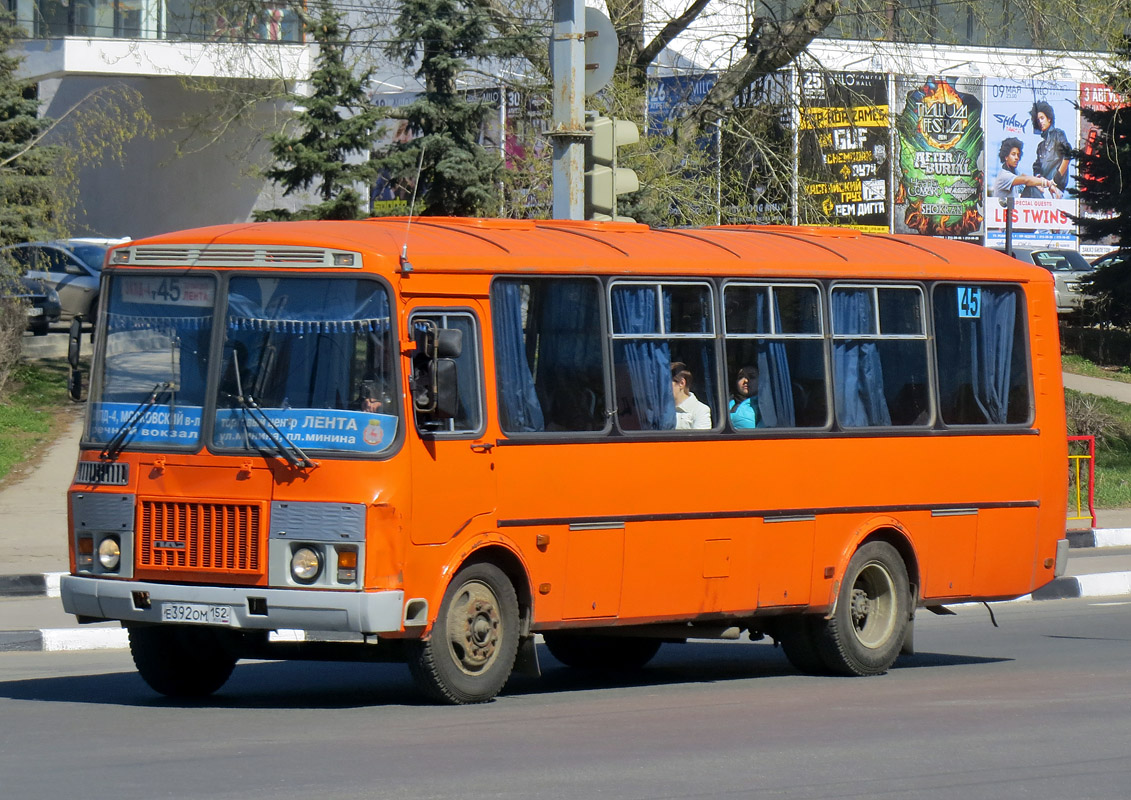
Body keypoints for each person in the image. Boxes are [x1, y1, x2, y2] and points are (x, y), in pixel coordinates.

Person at [991, 137, 1060, 200]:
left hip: (1012, 210)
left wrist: (1039, 182)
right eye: (1013, 154)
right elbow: (1026, 180)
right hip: (1003, 211)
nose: (1017, 158)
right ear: (1006, 157)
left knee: (1032, 186)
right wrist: (1048, 183)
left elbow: (1026, 177)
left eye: (1018, 155)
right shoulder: (1004, 175)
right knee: (1031, 187)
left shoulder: (1014, 172)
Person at [1031, 101, 1070, 191]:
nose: (1040, 122)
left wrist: (1055, 181)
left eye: (1042, 118)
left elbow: (1067, 155)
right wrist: (1039, 179)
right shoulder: (1040, 147)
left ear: (1049, 118)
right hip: (1044, 188)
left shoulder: (1058, 134)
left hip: (1056, 189)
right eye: (1038, 120)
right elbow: (1037, 167)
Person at [671, 362, 712, 430]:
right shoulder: (662, 409)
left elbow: (700, 439)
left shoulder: (701, 410)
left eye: (666, 383)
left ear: (681, 383)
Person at [728, 365, 758, 429]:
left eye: (751, 377)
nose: (745, 381)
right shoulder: (726, 402)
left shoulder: (764, 405)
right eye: (741, 377)